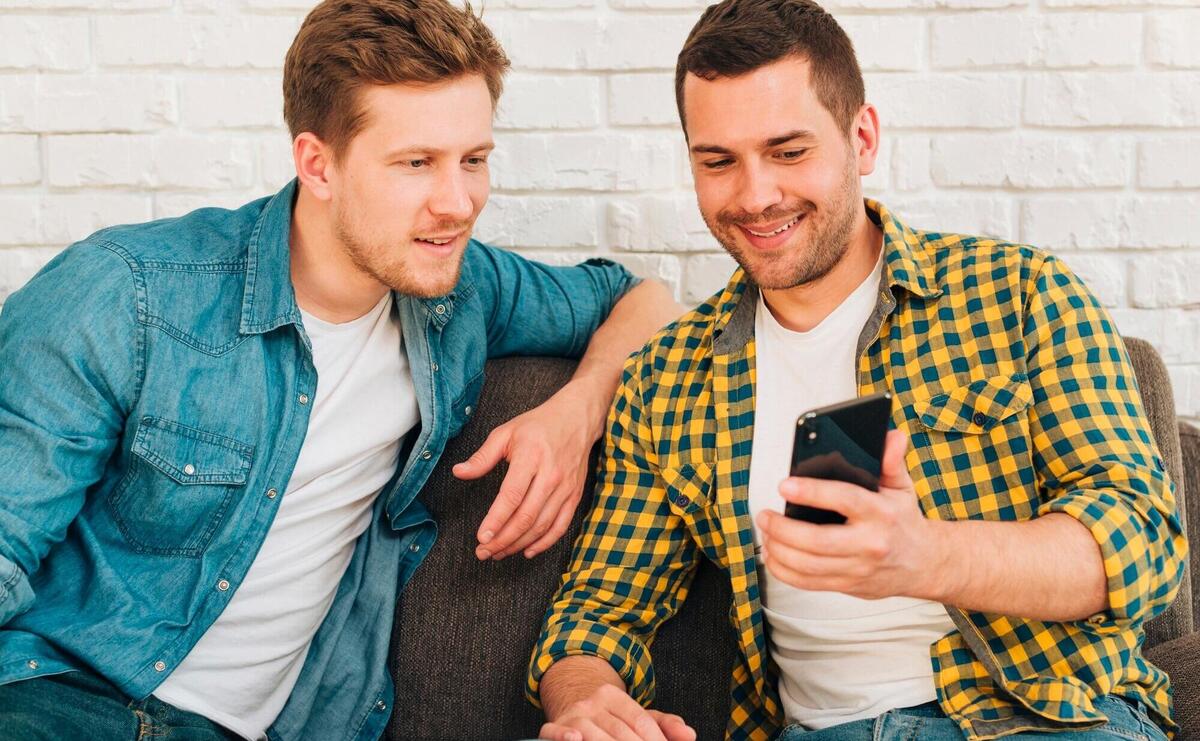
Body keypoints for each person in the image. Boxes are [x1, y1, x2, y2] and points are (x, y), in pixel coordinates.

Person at [0, 1, 681, 740]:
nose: (458, 203)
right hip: (57, 696)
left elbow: (641, 297)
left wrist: (576, 413)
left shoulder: (461, 290)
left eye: (474, 160)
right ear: (317, 164)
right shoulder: (126, 292)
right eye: (415, 162)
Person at [527, 0, 1187, 739]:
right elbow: (598, 610)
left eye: (788, 151)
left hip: (1040, 718)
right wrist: (583, 699)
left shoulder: (1021, 294)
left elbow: (1143, 542)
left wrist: (928, 555)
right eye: (718, 162)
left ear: (861, 138)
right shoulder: (666, 379)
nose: (754, 195)